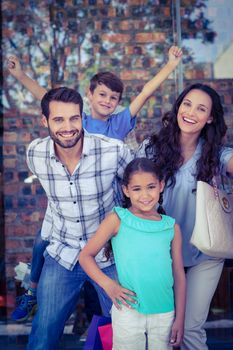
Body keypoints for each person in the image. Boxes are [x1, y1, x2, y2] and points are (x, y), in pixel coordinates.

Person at [8, 46, 183, 321]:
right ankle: (32, 291)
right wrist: (19, 75)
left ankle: (90, 321)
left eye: (114, 98)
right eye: (101, 94)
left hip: (104, 210)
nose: (107, 101)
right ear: (88, 96)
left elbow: (145, 93)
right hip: (69, 211)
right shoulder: (77, 121)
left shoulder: (120, 122)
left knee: (103, 270)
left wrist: (171, 66)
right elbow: (46, 99)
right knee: (43, 242)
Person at [24, 86, 133, 349]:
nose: (68, 127)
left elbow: (137, 193)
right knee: (43, 333)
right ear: (45, 121)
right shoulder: (35, 154)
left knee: (127, 330)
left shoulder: (113, 151)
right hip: (63, 253)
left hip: (108, 255)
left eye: (74, 118)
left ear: (82, 118)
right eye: (58, 119)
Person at [137, 83, 233, 349]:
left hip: (204, 253)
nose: (191, 112)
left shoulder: (218, 154)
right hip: (161, 254)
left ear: (210, 118)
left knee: (190, 329)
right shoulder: (151, 149)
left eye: (201, 109)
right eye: (187, 104)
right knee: (163, 332)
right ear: (178, 107)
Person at [79, 158, 186, 350]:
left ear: (161, 186)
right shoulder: (118, 219)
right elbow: (85, 256)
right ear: (126, 190)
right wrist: (108, 285)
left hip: (164, 311)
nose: (145, 195)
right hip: (128, 310)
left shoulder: (171, 227)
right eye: (137, 189)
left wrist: (180, 318)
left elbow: (178, 275)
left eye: (151, 187)